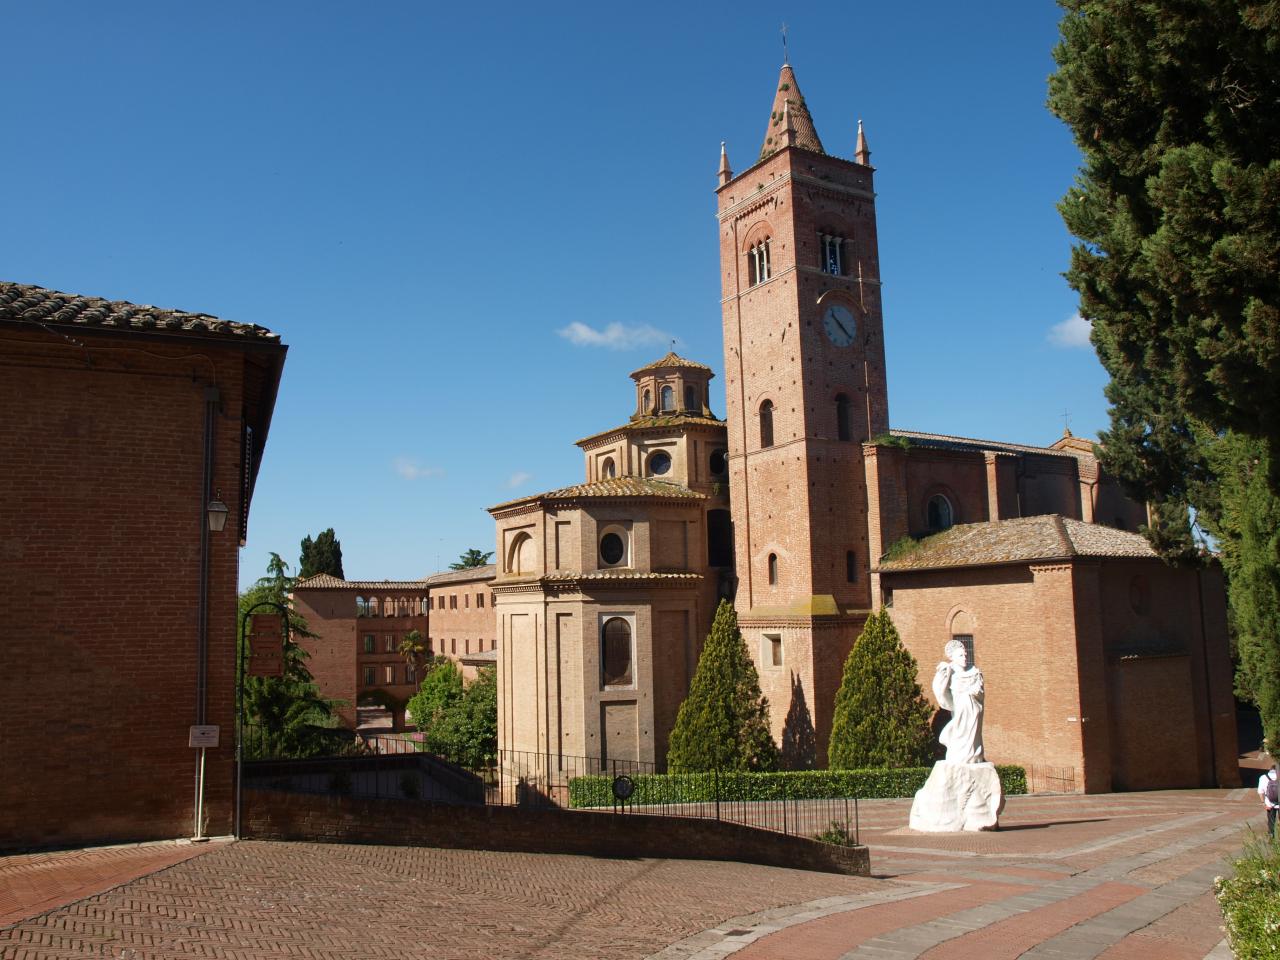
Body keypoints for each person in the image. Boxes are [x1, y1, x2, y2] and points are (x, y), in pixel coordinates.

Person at [933, 639, 985, 764]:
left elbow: (981, 692)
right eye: (961, 655)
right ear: (953, 658)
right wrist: (943, 675)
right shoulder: (950, 672)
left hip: (973, 711)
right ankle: (961, 756)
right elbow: (940, 689)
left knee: (973, 735)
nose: (965, 657)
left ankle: (974, 756)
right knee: (959, 733)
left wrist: (975, 692)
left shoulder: (974, 672)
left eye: (965, 654)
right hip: (960, 711)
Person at [1259, 762, 1279, 839]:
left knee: (1271, 821)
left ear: (1270, 769)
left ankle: (1271, 835)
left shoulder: (1263, 777)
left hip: (1269, 804)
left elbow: (1260, 792)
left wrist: (1263, 803)